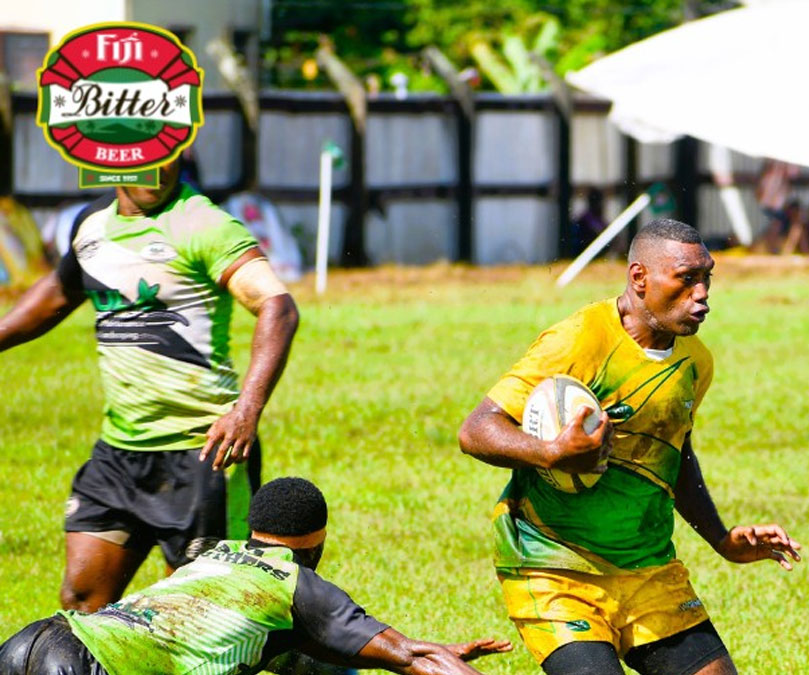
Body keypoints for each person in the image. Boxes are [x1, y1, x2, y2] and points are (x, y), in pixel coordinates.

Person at [458, 218, 802, 675]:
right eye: (686, 279)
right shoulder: (580, 340)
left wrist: (721, 538)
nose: (702, 294)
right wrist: (552, 454)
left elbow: (675, 454)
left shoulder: (694, 362)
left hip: (647, 569)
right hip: (554, 568)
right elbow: (476, 429)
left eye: (707, 278)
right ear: (639, 277)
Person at [0, 158, 300, 612]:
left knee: (203, 612)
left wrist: (246, 410)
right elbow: (60, 291)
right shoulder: (92, 224)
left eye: (168, 156)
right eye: (144, 158)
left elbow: (278, 306)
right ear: (115, 157)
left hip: (203, 450)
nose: (158, 170)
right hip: (119, 453)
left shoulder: (205, 223)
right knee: (81, 599)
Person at [0, 477, 512, 675]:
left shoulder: (214, 558)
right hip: (97, 666)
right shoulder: (299, 587)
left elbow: (296, 655)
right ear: (318, 544)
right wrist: (429, 657)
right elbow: (414, 658)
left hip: (37, 639)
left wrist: (424, 653)